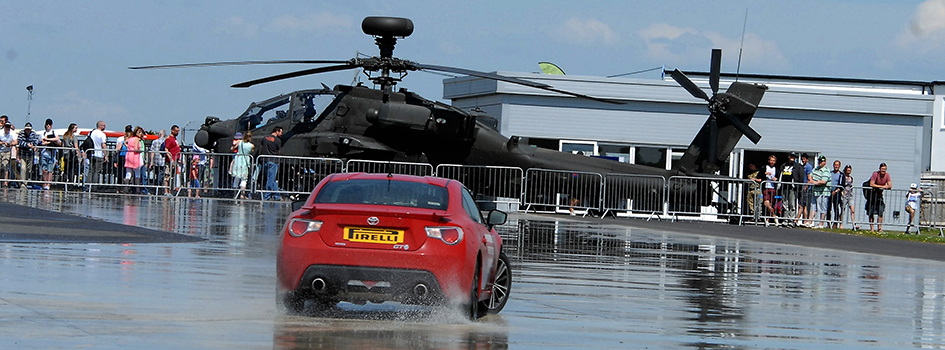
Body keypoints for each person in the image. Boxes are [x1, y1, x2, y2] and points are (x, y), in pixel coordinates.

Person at [778, 152, 805, 226]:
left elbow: (801, 177)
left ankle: (791, 220)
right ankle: (785, 219)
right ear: (789, 157)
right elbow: (780, 175)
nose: (792, 158)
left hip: (793, 188)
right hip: (784, 187)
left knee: (792, 204)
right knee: (785, 204)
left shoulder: (798, 166)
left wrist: (798, 186)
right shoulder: (783, 165)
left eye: (793, 156)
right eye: (791, 156)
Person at [258, 126, 283, 200]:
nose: (281, 134)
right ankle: (267, 196)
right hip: (273, 161)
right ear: (277, 131)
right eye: (281, 132)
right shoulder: (278, 141)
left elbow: (261, 149)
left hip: (265, 160)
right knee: (270, 179)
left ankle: (277, 195)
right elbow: (279, 151)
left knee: (272, 178)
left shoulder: (265, 138)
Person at [753, 155, 779, 224]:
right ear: (768, 161)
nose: (772, 162)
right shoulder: (765, 168)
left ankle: (767, 219)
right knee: (766, 204)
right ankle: (774, 216)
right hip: (766, 187)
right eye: (771, 160)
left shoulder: (776, 169)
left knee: (770, 204)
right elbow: (759, 176)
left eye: (773, 161)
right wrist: (765, 174)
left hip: (773, 188)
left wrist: (776, 179)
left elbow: (778, 178)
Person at [868, 163, 892, 232]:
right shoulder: (875, 174)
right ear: (879, 169)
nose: (883, 170)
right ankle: (872, 228)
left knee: (880, 212)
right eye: (882, 169)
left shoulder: (887, 175)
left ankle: (879, 228)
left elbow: (890, 185)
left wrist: (883, 187)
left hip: (880, 196)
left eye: (884, 169)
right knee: (871, 212)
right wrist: (882, 187)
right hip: (872, 195)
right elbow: (871, 184)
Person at [229, 132, 253, 199]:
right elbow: (252, 151)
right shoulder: (251, 145)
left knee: (236, 177)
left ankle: (235, 194)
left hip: (238, 160)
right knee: (244, 179)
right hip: (245, 162)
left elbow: (232, 148)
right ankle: (242, 195)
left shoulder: (240, 143)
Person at [39, 118, 61, 190]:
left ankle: (49, 184)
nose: (48, 126)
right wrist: (51, 141)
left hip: (51, 154)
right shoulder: (42, 134)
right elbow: (42, 142)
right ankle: (44, 183)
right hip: (44, 153)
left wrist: (48, 140)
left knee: (50, 170)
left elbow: (57, 139)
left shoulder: (54, 132)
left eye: (49, 124)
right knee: (44, 170)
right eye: (47, 124)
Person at [809, 155, 831, 228]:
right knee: (813, 207)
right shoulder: (816, 169)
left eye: (821, 161)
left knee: (822, 208)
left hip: (823, 192)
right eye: (819, 161)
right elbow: (810, 175)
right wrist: (811, 180)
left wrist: (814, 182)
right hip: (815, 191)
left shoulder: (826, 170)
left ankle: (821, 224)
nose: (820, 162)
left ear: (825, 162)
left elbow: (823, 181)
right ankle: (810, 222)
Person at [123, 126, 143, 193]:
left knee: (128, 173)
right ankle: (137, 189)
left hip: (128, 155)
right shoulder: (137, 139)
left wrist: (128, 147)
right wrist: (140, 151)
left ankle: (125, 189)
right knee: (137, 173)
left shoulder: (131, 138)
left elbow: (125, 142)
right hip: (135, 156)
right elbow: (136, 148)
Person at [88, 121, 108, 187]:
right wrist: (105, 154)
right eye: (104, 125)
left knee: (90, 171)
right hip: (99, 154)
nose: (105, 127)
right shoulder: (102, 134)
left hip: (91, 153)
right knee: (97, 171)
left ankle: (88, 185)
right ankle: (94, 186)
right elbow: (103, 145)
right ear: (100, 126)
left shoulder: (91, 133)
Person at [164, 125, 182, 196]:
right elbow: (166, 149)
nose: (178, 133)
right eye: (176, 131)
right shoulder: (169, 139)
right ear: (172, 130)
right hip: (170, 161)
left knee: (172, 176)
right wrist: (171, 159)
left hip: (175, 160)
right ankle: (166, 191)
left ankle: (170, 190)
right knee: (167, 175)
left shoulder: (175, 139)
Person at [828, 160, 845, 228]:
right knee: (828, 208)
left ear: (839, 166)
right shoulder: (830, 173)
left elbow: (842, 185)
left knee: (836, 209)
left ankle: (835, 223)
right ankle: (828, 223)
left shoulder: (841, 175)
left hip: (837, 194)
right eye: (835, 165)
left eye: (837, 165)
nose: (836, 166)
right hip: (829, 192)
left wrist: (836, 191)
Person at [797, 153, 813, 226]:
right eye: (802, 159)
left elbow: (809, 178)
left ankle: (797, 219)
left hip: (805, 188)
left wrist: (806, 187)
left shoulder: (808, 167)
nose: (803, 160)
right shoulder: (802, 166)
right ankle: (804, 220)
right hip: (801, 187)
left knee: (802, 205)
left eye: (804, 159)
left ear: (807, 159)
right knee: (803, 205)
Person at [149, 129, 167, 195]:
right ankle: (159, 188)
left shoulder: (154, 142)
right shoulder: (166, 141)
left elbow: (152, 152)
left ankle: (155, 188)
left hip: (156, 161)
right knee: (161, 175)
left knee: (156, 175)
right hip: (163, 161)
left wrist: (151, 161)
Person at [0, 121, 16, 187]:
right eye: (6, 127)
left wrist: (11, 144)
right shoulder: (0, 132)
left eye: (8, 127)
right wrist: (3, 143)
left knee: (5, 165)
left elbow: (16, 141)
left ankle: (5, 182)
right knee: (1, 167)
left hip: (7, 151)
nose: (7, 129)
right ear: (4, 127)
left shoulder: (12, 133)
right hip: (0, 150)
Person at [841, 165, 857, 230]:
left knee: (852, 210)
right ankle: (840, 224)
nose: (849, 171)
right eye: (847, 170)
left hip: (850, 195)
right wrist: (842, 193)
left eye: (850, 170)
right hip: (844, 195)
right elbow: (841, 185)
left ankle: (854, 224)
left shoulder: (851, 178)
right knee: (843, 210)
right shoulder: (843, 177)